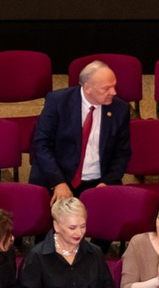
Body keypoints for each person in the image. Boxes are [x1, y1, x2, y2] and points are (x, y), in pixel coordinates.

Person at [33, 60, 134, 199]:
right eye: (106, 88)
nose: (113, 92)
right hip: (59, 176)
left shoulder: (120, 109)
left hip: (98, 180)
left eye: (114, 86)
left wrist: (107, 182)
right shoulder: (58, 102)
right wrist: (58, 182)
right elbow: (41, 144)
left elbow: (122, 153)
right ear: (87, 88)